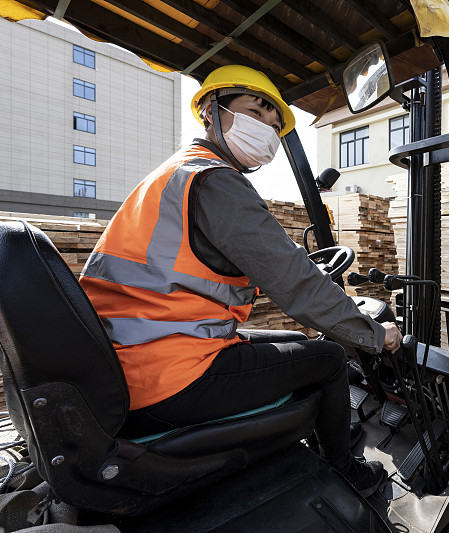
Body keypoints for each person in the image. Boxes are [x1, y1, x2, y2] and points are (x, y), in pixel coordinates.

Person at [78, 65, 401, 497]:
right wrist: (375, 335)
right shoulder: (213, 181)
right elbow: (296, 282)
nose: (266, 130)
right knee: (326, 358)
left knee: (280, 339)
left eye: (274, 125)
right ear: (211, 110)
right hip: (169, 377)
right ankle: (345, 470)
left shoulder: (177, 174)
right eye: (255, 112)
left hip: (137, 360)